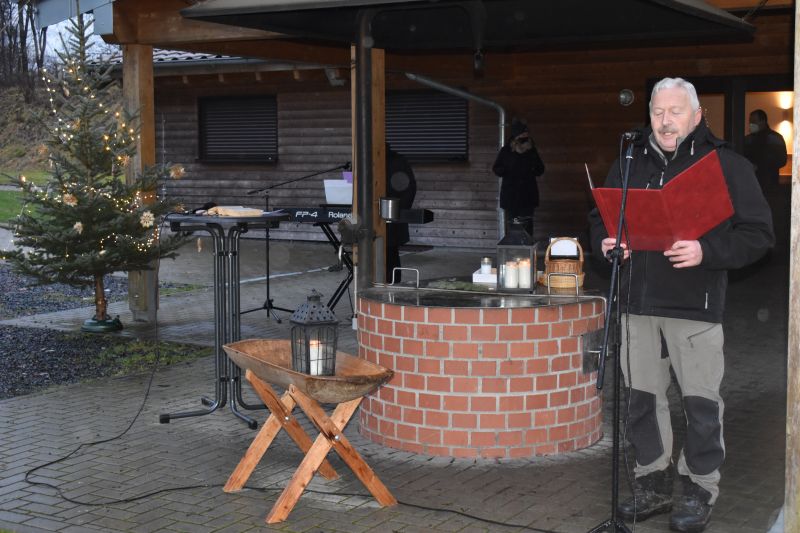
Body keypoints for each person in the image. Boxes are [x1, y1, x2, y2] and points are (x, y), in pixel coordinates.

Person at [588, 78, 774, 532]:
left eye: (676, 111)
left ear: (696, 116)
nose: (666, 120)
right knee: (640, 400)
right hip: (636, 302)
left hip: (695, 305)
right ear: (648, 115)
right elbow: (599, 219)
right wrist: (608, 245)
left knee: (700, 404)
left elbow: (759, 234)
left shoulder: (726, 165)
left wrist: (707, 252)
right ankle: (652, 480)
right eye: (658, 111)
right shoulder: (629, 162)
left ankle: (699, 486)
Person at [492, 118, 545, 237]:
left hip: (528, 195)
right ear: (516, 136)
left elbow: (540, 169)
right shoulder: (506, 151)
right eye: (523, 134)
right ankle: (515, 253)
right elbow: (497, 168)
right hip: (511, 195)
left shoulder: (532, 151)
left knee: (527, 225)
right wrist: (507, 169)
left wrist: (533, 168)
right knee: (513, 225)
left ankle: (527, 251)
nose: (525, 136)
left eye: (527, 134)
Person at [385, 143, 416, 283]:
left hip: (390, 217)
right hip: (373, 216)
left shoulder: (396, 162)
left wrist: (397, 213)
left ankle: (393, 288)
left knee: (390, 254)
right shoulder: (364, 159)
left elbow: (408, 190)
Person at [743, 109, 787, 198]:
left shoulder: (775, 138)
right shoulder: (747, 140)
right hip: (751, 185)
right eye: (750, 122)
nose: (751, 124)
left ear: (763, 121)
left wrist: (760, 166)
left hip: (769, 186)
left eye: (754, 122)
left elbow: (782, 160)